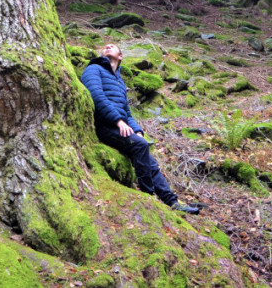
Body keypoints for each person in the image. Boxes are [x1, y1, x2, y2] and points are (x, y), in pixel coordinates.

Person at [80, 43, 201, 214]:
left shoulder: (119, 81)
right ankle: (147, 195)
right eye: (105, 46)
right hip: (104, 125)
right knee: (141, 146)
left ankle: (172, 201)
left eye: (112, 46)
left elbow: (127, 112)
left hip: (119, 126)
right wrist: (118, 121)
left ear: (120, 56)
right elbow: (96, 96)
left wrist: (137, 130)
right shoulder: (94, 68)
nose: (107, 46)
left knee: (150, 161)